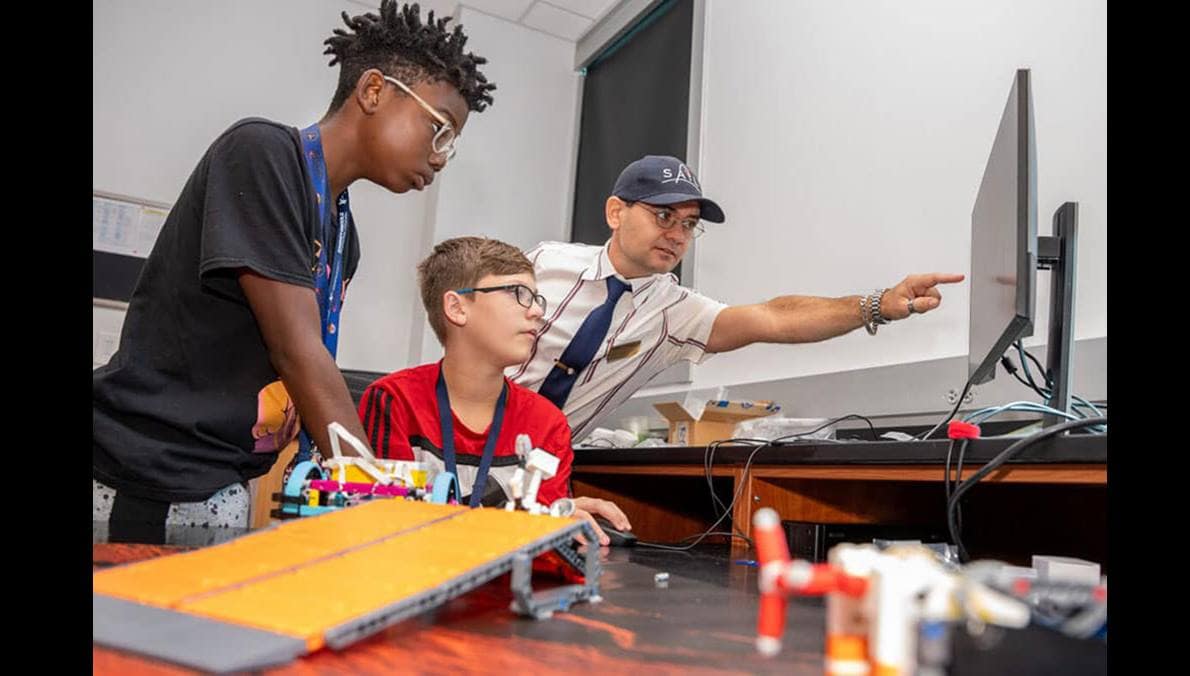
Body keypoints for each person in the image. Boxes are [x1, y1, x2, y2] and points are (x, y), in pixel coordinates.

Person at [93, 1, 496, 536]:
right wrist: (373, 490)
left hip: (220, 479)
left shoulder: (343, 234)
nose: (441, 156)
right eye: (439, 129)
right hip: (145, 471)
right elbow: (298, 350)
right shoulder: (262, 154)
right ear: (373, 91)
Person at [510, 155, 964, 438]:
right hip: (457, 437)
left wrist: (877, 304)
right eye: (664, 215)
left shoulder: (673, 314)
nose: (677, 234)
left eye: (688, 224)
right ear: (616, 212)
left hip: (540, 471)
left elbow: (774, 318)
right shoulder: (545, 262)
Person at [358, 237, 628, 543]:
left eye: (537, 298)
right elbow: (388, 526)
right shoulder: (395, 401)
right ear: (457, 307)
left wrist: (553, 521)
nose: (536, 312)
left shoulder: (547, 424)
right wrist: (521, 522)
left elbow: (543, 536)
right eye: (518, 294)